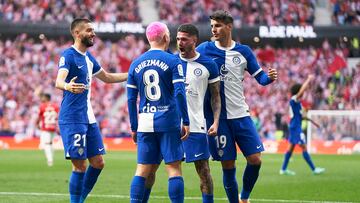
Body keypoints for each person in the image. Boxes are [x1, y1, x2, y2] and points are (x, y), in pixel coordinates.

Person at [196, 10, 278, 203]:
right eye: (212, 26)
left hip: (241, 114)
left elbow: (261, 78)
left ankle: (245, 197)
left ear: (229, 27)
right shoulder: (204, 49)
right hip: (218, 119)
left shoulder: (244, 52)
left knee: (255, 160)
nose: (213, 30)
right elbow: (182, 60)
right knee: (228, 165)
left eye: (217, 26)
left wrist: (270, 77)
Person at [55, 18, 127, 203]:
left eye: (93, 30)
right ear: (77, 33)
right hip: (72, 117)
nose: (93, 33)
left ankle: (80, 200)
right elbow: (58, 81)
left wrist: (133, 73)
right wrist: (67, 86)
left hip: (88, 117)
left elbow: (108, 77)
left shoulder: (88, 58)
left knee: (98, 163)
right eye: (88, 30)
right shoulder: (68, 55)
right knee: (80, 166)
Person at [127, 22, 190, 203]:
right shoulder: (173, 61)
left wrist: (134, 126)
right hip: (168, 119)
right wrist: (186, 120)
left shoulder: (135, 63)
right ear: (165, 37)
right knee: (173, 168)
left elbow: (131, 100)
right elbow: (179, 93)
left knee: (142, 169)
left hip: (145, 121)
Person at [177, 24, 221, 203]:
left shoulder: (208, 64)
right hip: (171, 125)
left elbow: (216, 97)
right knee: (155, 168)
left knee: (204, 172)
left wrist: (216, 121)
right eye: (178, 38)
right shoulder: (171, 61)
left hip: (196, 125)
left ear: (194, 40)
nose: (180, 42)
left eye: (184, 39)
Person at [280, 75, 325, 175]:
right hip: (296, 127)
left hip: (294, 126)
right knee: (304, 147)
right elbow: (301, 92)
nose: (303, 93)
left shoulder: (298, 103)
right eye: (302, 91)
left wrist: (314, 122)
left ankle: (283, 169)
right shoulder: (294, 99)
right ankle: (314, 169)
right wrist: (308, 79)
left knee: (290, 149)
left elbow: (302, 117)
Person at [36, 93, 59, 167]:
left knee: (46, 144)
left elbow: (39, 117)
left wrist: (37, 124)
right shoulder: (55, 106)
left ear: (46, 98)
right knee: (50, 143)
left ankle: (50, 160)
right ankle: (51, 158)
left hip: (45, 127)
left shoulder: (42, 106)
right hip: (53, 127)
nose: (42, 99)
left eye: (43, 97)